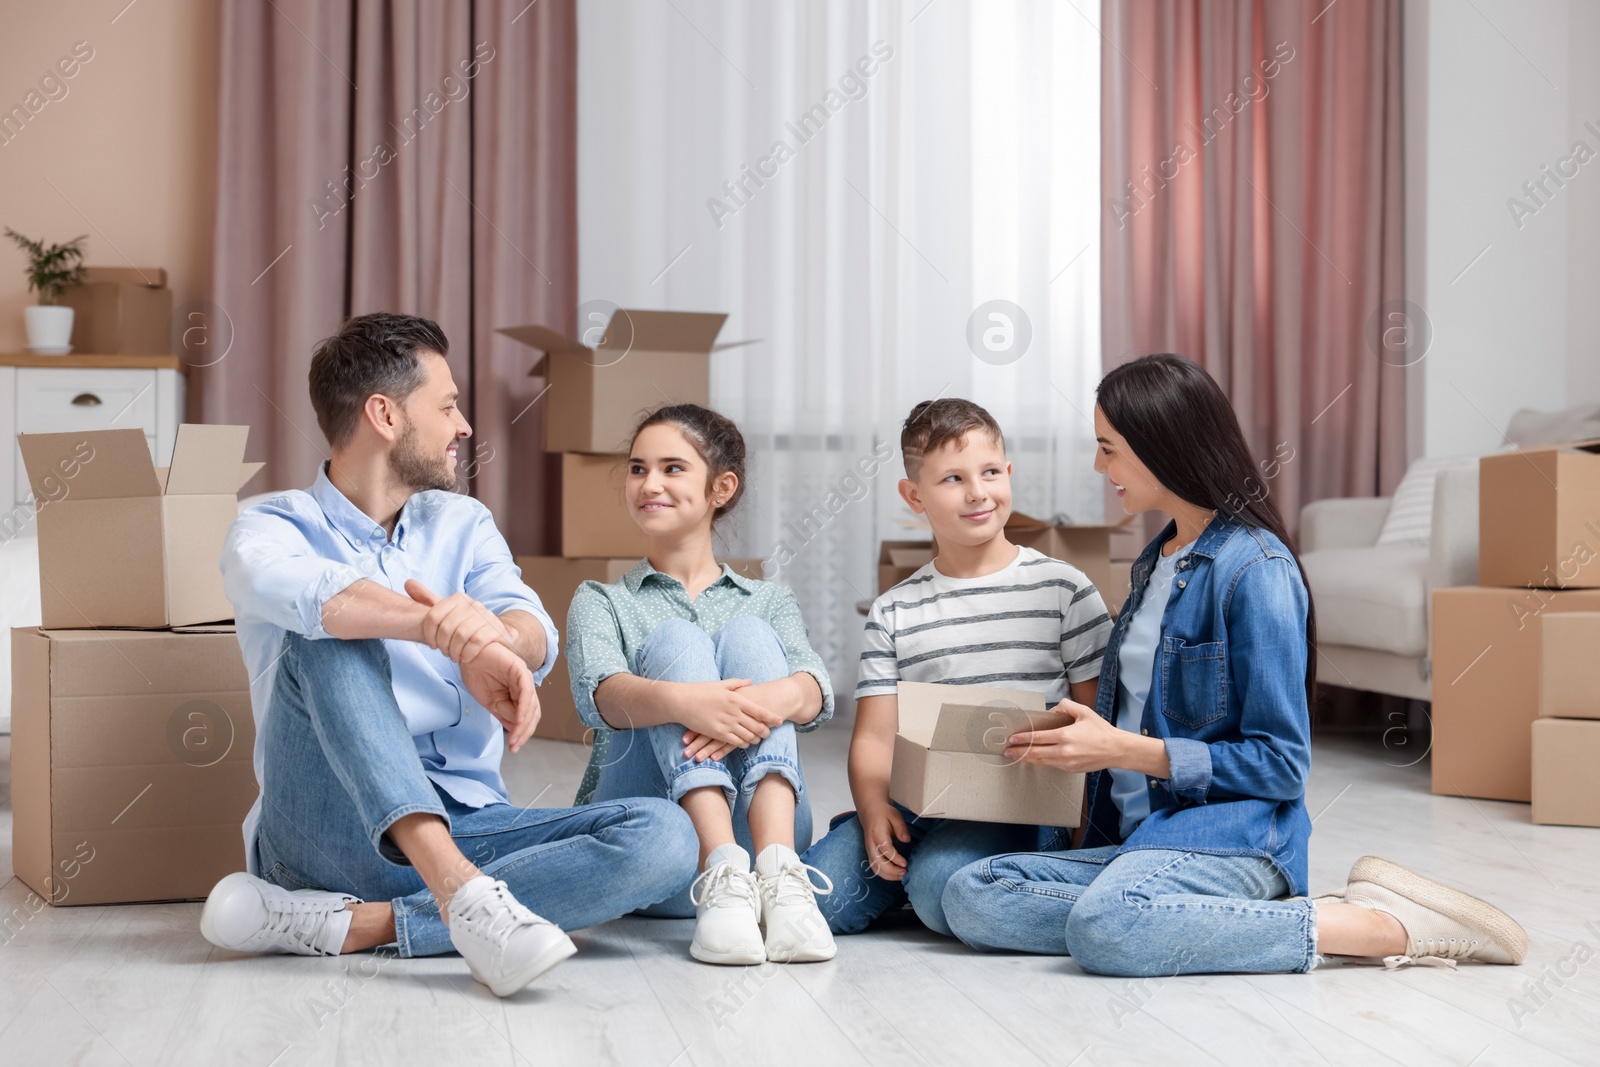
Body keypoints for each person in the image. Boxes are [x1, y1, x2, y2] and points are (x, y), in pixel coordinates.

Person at [940, 353, 1527, 974]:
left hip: (1233, 837)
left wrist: (1120, 750)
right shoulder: (1156, 561)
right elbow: (1141, 716)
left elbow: (1281, 764)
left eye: (1108, 448)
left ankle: (1374, 926)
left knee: (1106, 926)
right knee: (969, 895)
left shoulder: (1256, 570)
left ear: (1159, 445)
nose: (1098, 465)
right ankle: (1156, 913)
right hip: (1148, 837)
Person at [200, 312, 697, 997]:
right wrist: (439, 628)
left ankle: (367, 924)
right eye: (448, 405)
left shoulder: (461, 521)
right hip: (325, 830)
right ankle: (463, 897)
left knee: (666, 834)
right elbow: (316, 597)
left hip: (469, 821)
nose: (463, 426)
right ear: (384, 414)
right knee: (327, 636)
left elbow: (532, 627)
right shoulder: (270, 525)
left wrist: (494, 640)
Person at [801, 398, 1114, 938]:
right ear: (914, 495)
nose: (977, 493)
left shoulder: (1063, 589)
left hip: (1021, 807)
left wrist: (1082, 845)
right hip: (919, 800)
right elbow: (875, 738)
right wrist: (874, 810)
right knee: (812, 896)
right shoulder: (894, 609)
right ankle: (916, 873)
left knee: (937, 884)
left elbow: (1096, 723)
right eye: (952, 478)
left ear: (1008, 474)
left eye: (990, 472)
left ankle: (933, 883)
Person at [565, 404, 837, 965]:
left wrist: (741, 706)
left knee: (750, 634)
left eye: (672, 468)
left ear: (721, 488)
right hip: (656, 846)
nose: (649, 484)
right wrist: (689, 702)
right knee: (675, 644)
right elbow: (602, 698)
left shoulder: (769, 599)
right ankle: (721, 871)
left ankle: (782, 877)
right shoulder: (601, 599)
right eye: (638, 469)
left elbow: (813, 690)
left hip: (763, 841)